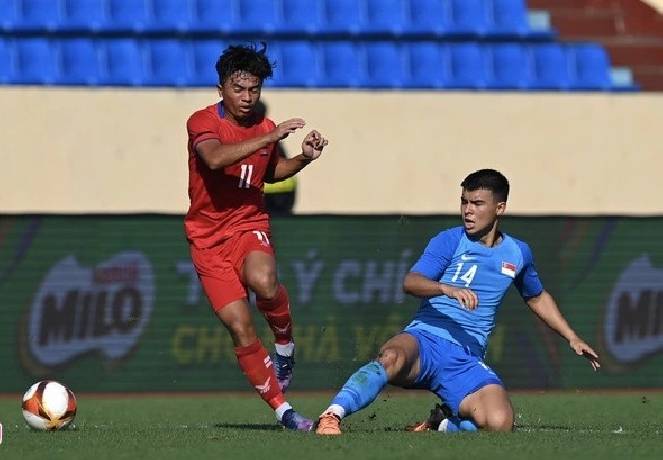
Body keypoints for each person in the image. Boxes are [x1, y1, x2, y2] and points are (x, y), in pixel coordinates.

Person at [315, 169, 600, 435]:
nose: (467, 210)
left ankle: (442, 423)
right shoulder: (450, 240)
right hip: (425, 339)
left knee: (500, 423)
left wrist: (571, 337)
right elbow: (410, 282)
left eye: (477, 203)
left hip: (466, 356)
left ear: (499, 208)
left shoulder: (517, 253)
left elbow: (536, 296)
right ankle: (332, 415)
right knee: (391, 357)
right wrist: (445, 289)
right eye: (464, 202)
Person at [185, 43, 328, 431]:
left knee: (265, 282)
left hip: (249, 223)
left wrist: (303, 158)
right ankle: (284, 411)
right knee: (239, 326)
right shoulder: (202, 122)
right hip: (207, 240)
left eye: (254, 90)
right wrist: (269, 138)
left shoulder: (265, 130)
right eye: (239, 89)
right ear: (221, 89)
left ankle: (285, 345)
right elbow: (215, 158)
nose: (247, 98)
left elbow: (270, 173)